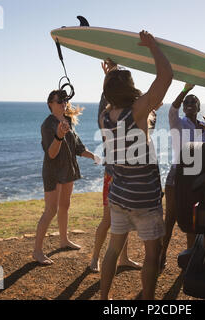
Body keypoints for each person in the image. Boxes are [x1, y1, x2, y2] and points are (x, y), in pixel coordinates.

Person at [99, 30, 173, 300]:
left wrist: (111, 73)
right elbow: (166, 76)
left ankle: (103, 299)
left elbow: (112, 97)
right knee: (152, 254)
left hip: (118, 195)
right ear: (129, 89)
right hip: (144, 199)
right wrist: (152, 45)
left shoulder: (105, 118)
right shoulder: (138, 111)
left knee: (112, 250)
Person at [33, 89, 100, 265]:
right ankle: (37, 251)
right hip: (53, 172)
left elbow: (77, 147)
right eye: (59, 101)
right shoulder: (47, 125)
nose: (63, 103)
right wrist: (58, 136)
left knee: (64, 206)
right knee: (51, 210)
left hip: (68, 170)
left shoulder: (68, 121)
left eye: (64, 100)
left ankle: (64, 240)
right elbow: (51, 154)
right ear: (50, 104)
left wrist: (95, 156)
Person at [89, 60, 142, 273]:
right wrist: (109, 75)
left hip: (129, 173)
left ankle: (124, 258)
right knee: (108, 219)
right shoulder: (107, 116)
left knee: (126, 218)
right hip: (114, 174)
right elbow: (107, 98)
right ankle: (94, 258)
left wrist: (111, 74)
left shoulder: (129, 112)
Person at [160, 83, 205, 272]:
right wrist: (184, 91)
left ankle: (189, 260)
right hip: (178, 175)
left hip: (196, 177)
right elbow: (172, 109)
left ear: (199, 107)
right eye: (187, 102)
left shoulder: (202, 127)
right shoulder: (178, 123)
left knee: (193, 220)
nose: (190, 103)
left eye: (194, 101)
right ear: (184, 106)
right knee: (171, 218)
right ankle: (161, 255)